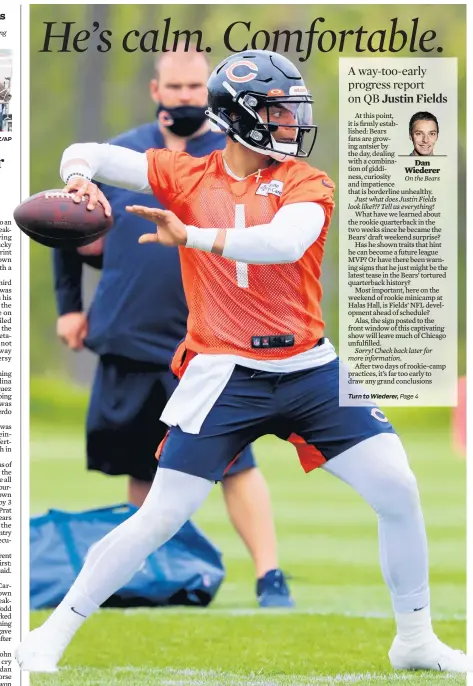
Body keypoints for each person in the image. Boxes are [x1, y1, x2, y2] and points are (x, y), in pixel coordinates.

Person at [17, 49, 469, 674]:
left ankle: (415, 639)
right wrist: (79, 179)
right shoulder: (186, 174)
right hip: (223, 372)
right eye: (278, 110)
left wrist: (191, 236)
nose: (290, 123)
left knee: (398, 488)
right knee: (160, 516)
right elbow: (87, 150)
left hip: (310, 367)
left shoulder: (306, 181)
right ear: (237, 116)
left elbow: (283, 244)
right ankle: (52, 634)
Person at [53, 45, 293, 608]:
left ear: (209, 93)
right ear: (156, 91)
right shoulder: (122, 154)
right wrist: (70, 305)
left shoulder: (236, 153)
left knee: (236, 461)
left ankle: (270, 577)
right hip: (128, 329)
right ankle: (152, 578)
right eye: (176, 87)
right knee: (142, 464)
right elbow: (68, 222)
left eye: (195, 87)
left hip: (210, 337)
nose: (185, 96)